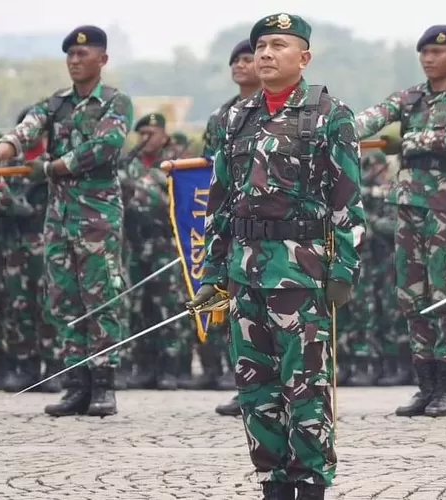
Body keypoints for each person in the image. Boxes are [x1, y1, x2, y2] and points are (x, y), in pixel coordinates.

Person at [187, 13, 365, 500]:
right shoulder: (234, 118)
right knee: (255, 390)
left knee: (304, 387)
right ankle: (272, 484)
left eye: (278, 45)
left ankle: (309, 485)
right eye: (260, 45)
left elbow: (346, 200)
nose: (265, 54)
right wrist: (211, 273)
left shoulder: (330, 115)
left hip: (301, 275)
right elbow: (219, 203)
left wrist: (344, 269)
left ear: (303, 57)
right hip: (245, 275)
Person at [0, 25, 133, 417]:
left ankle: (104, 384)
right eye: (70, 56)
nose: (75, 61)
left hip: (97, 218)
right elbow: (25, 130)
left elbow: (105, 148)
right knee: (63, 299)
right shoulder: (54, 104)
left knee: (100, 296)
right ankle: (76, 383)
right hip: (59, 219)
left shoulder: (115, 102)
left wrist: (52, 167)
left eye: (83, 54)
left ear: (103, 60)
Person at [355, 25, 446, 417]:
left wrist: (403, 141)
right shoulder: (408, 98)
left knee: (445, 293)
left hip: (443, 206)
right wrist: (335, 127)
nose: (429, 59)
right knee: (412, 297)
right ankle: (425, 386)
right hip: (408, 203)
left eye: (437, 52)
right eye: (424, 52)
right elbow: (371, 118)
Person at [201, 39, 262, 417]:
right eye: (235, 60)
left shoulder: (284, 110)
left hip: (271, 219)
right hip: (233, 218)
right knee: (239, 307)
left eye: (246, 58)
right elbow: (214, 172)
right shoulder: (221, 117)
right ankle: (247, 387)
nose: (240, 65)